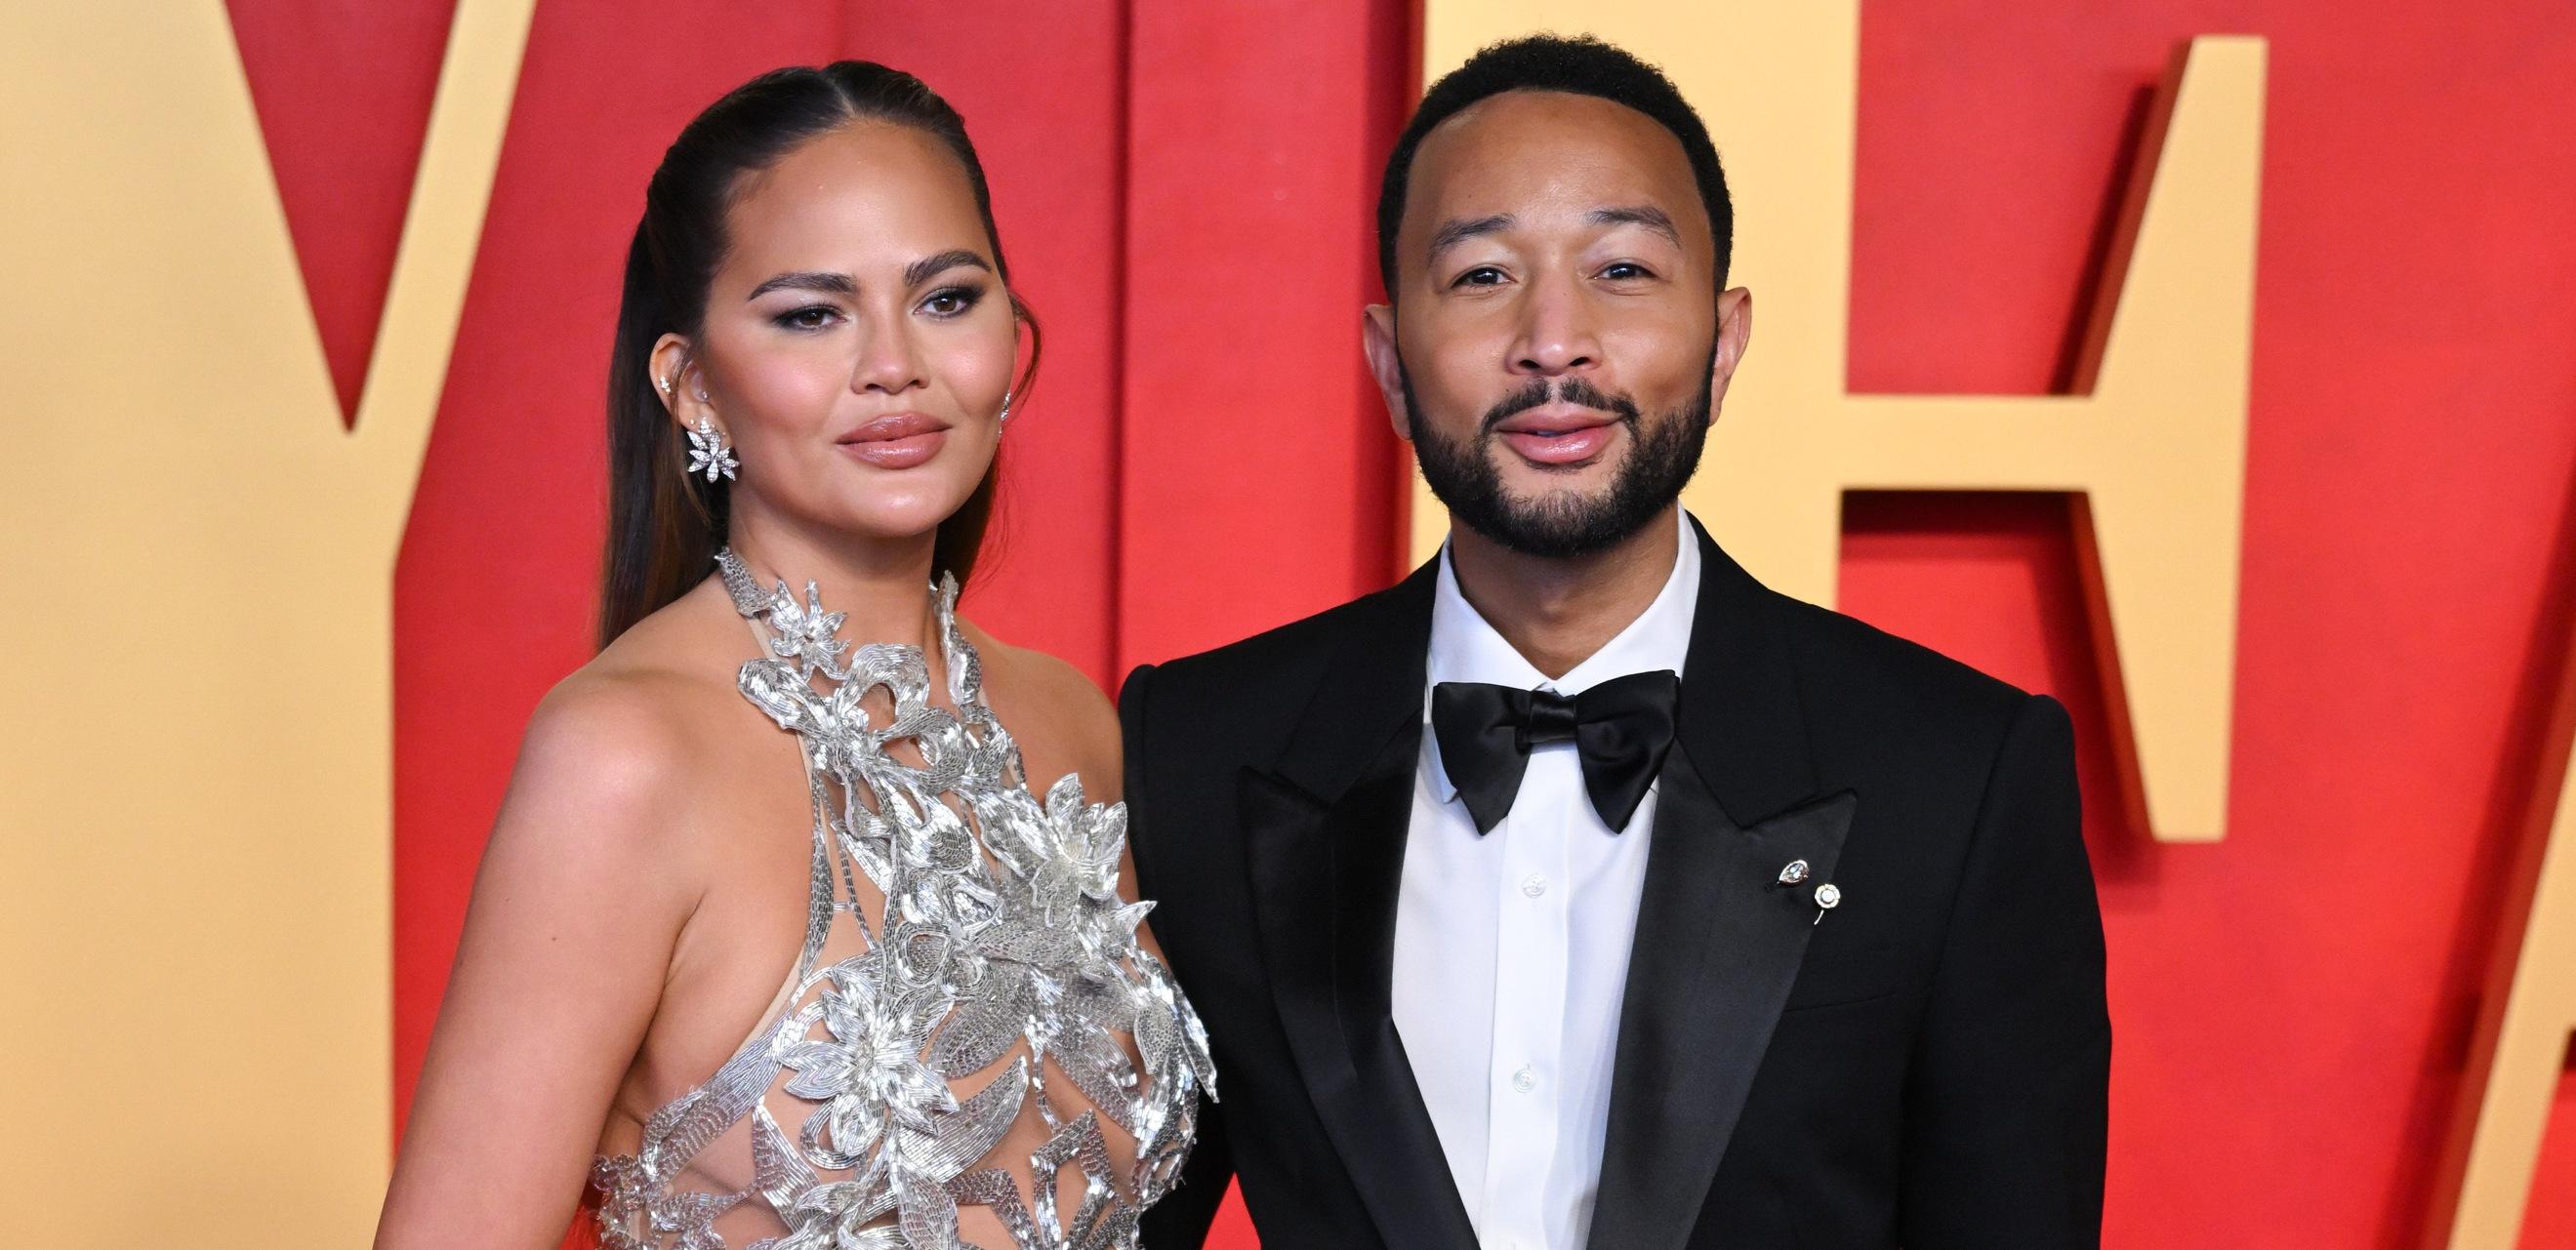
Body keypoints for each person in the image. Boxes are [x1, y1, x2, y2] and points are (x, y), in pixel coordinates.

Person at [1124, 34, 2107, 1250]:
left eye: (1623, 269)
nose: (1553, 340)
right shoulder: (1195, 756)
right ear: (1387, 360)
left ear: (1724, 340)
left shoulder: (1954, 774)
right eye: (1481, 275)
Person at [374, 62, 1211, 1250]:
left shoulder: (1070, 723)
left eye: (946, 298)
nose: (892, 366)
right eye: (810, 314)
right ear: (692, 384)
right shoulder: (624, 755)